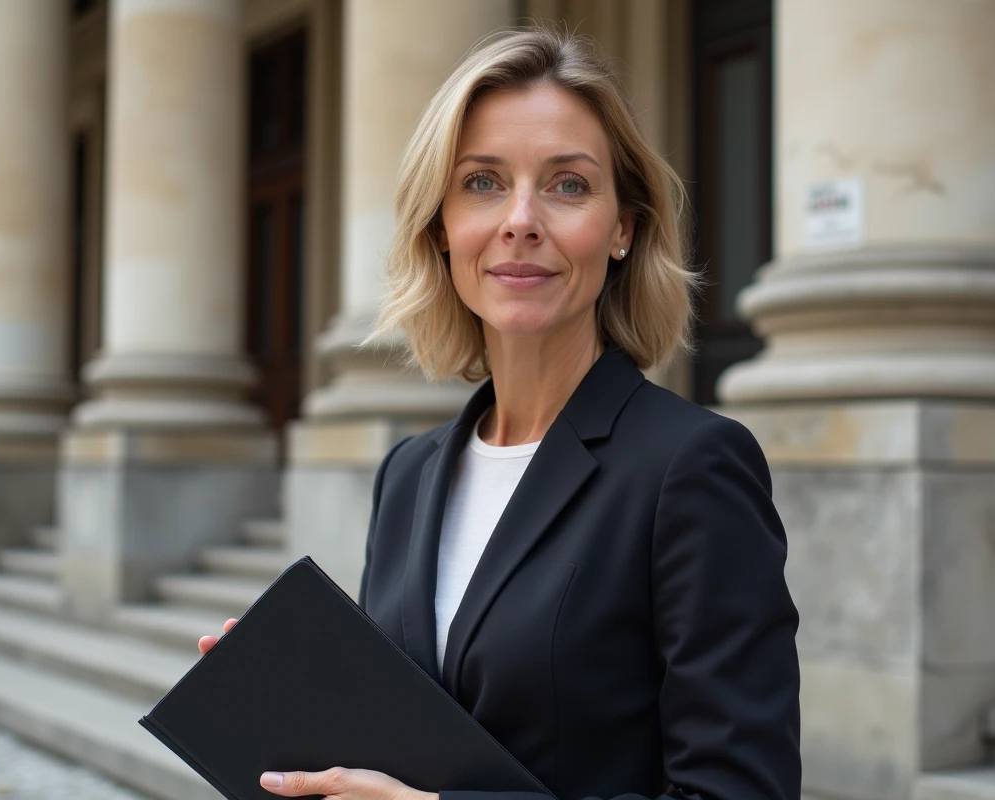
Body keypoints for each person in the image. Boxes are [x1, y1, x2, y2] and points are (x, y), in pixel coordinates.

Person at [199, 27, 800, 800]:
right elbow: (415, 747)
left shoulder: (692, 467)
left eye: (569, 185)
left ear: (622, 229)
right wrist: (291, 722)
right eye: (482, 182)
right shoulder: (410, 474)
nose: (521, 218)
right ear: (443, 228)